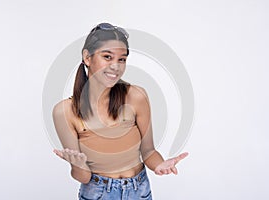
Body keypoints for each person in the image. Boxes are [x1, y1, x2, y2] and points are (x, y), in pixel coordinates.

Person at [52, 22, 188, 200]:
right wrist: (77, 165)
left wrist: (160, 165)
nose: (116, 66)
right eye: (107, 57)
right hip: (97, 193)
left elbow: (148, 152)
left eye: (122, 59)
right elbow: (83, 177)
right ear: (87, 57)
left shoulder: (136, 96)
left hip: (139, 190)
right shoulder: (64, 111)